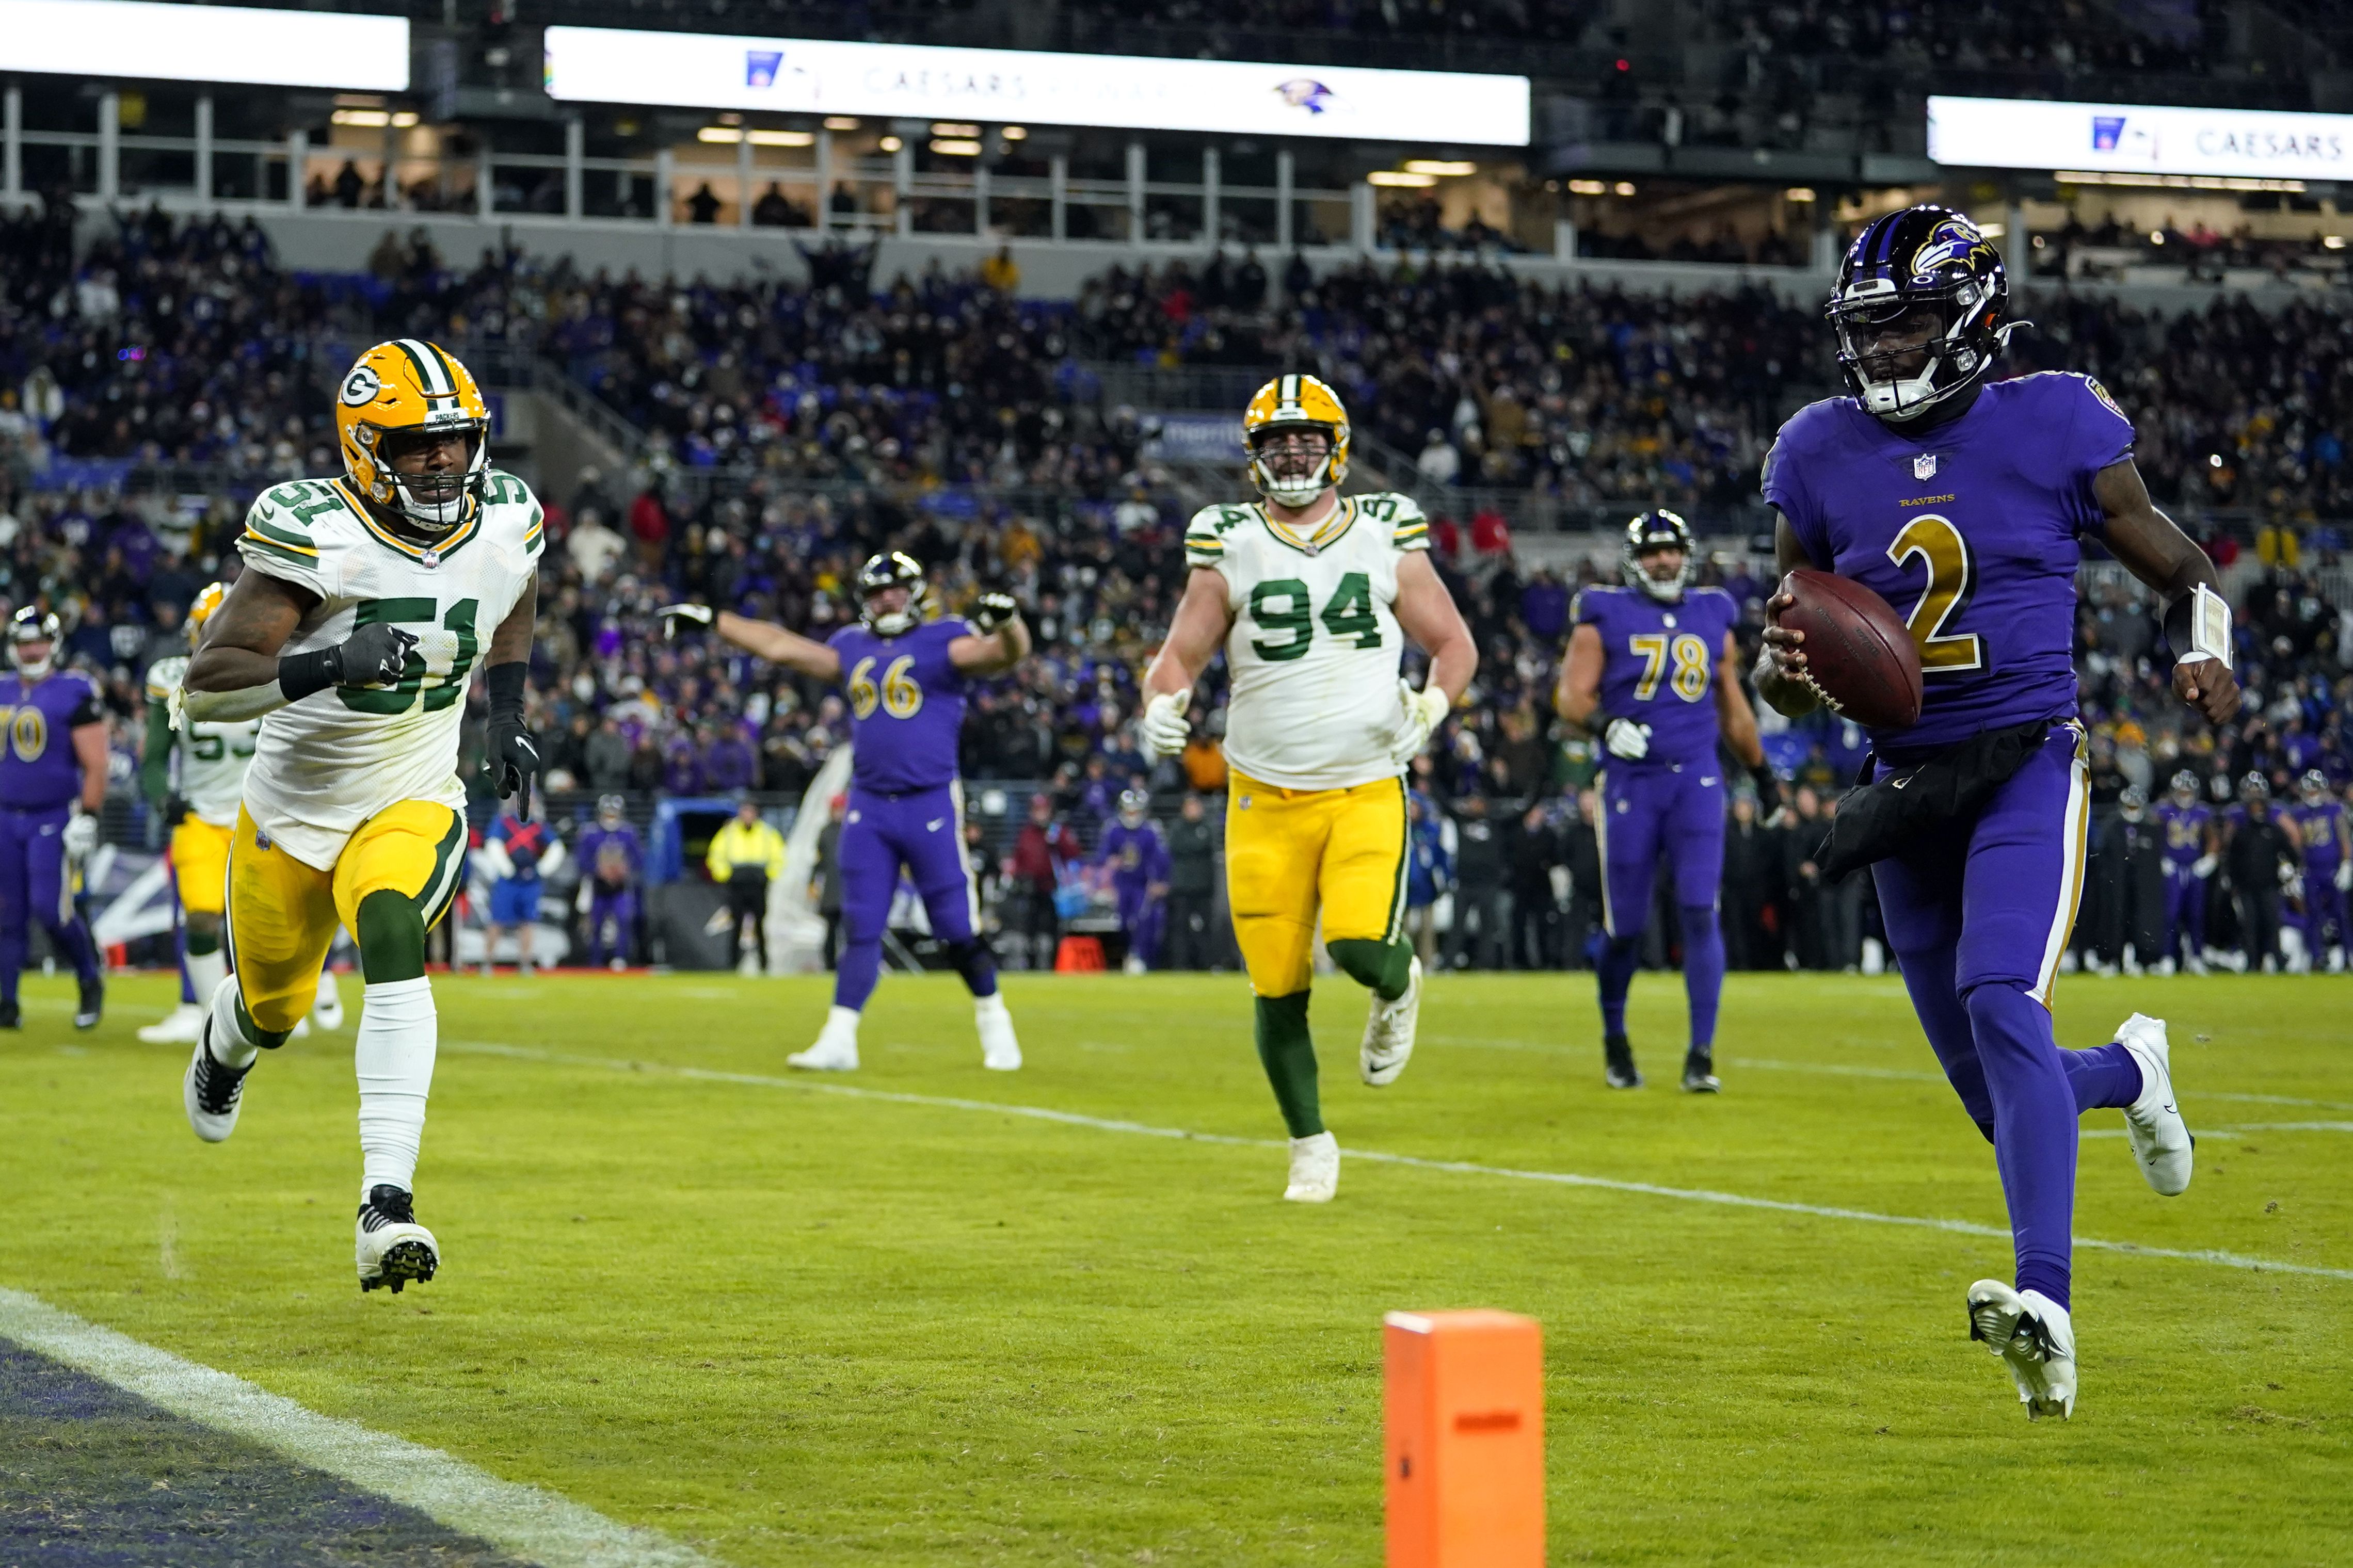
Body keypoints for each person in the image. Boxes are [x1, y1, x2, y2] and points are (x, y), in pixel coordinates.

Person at [1757, 206, 2234, 1418]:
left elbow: (2185, 568)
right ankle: (2130, 1071)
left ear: (1969, 313)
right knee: (1994, 1088)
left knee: (1998, 998)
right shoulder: (1815, 450)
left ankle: (2046, 1306)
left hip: (2026, 754)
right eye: (1868, 328)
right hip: (1903, 781)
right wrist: (1784, 675)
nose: (1884, 348)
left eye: (1908, 319)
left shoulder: (2056, 419)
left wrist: (2205, 643)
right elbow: (1788, 634)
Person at [179, 337, 545, 1294]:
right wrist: (330, 660)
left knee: (392, 926)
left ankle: (386, 1201)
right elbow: (207, 689)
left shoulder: (507, 514)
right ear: (361, 445)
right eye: (416, 444)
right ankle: (228, 1046)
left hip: (411, 792)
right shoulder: (316, 533)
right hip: (290, 817)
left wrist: (505, 712)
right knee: (273, 1008)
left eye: (455, 442)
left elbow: (512, 597)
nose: (442, 462)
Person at [1140, 373, 1476, 1202]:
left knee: (1358, 946)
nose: (1292, 454)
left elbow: (1453, 644)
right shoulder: (1229, 538)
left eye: (1306, 440)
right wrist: (1158, 701)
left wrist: (1432, 704)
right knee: (1276, 983)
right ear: (1254, 456)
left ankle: (1398, 987)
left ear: (1337, 448)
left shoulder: (1385, 528)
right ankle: (1308, 1141)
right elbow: (1179, 652)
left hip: (1364, 783)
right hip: (1260, 797)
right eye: (1276, 442)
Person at [662, 554, 1031, 1069]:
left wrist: (1009, 623)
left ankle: (994, 1022)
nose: (887, 598)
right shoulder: (850, 647)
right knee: (860, 925)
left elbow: (1005, 655)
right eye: (878, 591)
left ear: (916, 592)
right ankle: (839, 1039)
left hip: (929, 801)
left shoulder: (943, 638)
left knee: (954, 927)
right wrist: (713, 619)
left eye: (897, 588)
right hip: (869, 804)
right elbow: (782, 646)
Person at [1554, 509, 1779, 1091]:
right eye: (1653, 552)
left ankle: (1700, 1055)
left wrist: (1762, 775)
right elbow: (1569, 699)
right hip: (1630, 782)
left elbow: (1733, 708)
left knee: (1699, 907)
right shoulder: (1602, 611)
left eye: (1672, 550)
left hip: (1696, 780)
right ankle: (1614, 1039)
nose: (1664, 561)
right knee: (1624, 924)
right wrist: (1604, 725)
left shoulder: (1712, 611)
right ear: (1634, 560)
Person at [138, 583, 344, 1043]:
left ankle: (301, 995)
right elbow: (153, 757)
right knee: (201, 916)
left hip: (266, 810)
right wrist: (162, 796)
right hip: (203, 815)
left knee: (281, 914)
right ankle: (214, 1019)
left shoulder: (276, 668)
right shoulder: (172, 676)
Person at [0, 607, 108, 1030]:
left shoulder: (74, 689)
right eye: (25, 642)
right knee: (7, 914)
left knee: (52, 909)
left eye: (38, 641)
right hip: (5, 815)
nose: (32, 650)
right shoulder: (3, 689)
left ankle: (88, 976)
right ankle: (7, 1002)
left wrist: (89, 815)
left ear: (53, 643)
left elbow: (96, 763)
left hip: (52, 815)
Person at [481, 797, 563, 974]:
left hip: (530, 879)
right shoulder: (505, 822)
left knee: (528, 923)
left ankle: (525, 962)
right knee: (497, 921)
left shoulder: (537, 825)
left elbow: (555, 846)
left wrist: (542, 869)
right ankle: (488, 962)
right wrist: (505, 867)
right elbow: (493, 843)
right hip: (508, 880)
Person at [705, 794, 785, 974]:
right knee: (736, 924)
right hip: (737, 884)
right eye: (745, 811)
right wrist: (726, 875)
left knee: (760, 925)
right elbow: (715, 855)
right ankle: (732, 964)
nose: (748, 815)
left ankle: (765, 964)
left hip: (758, 884)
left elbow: (779, 856)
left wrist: (768, 875)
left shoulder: (767, 833)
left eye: (751, 812)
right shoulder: (729, 833)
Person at [2222, 774, 2294, 973]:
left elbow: (2290, 851)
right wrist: (2230, 880)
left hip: (2270, 883)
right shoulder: (2241, 830)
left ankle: (2278, 961)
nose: (2255, 805)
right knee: (2250, 926)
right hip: (2246, 885)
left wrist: (2289, 868)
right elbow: (2230, 857)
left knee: (2273, 923)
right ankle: (2253, 962)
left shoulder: (2273, 828)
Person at [1098, 787, 1170, 974]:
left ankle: (1140, 957)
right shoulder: (1113, 829)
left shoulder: (1150, 831)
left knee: (1142, 920)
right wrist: (1108, 871)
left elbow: (1160, 859)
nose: (1132, 815)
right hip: (1121, 884)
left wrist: (1160, 881)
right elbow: (1103, 857)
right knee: (1123, 922)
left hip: (1142, 884)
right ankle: (1129, 956)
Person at [2154, 769, 2216, 974]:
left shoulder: (2203, 813)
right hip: (2172, 868)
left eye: (2188, 792)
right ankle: (2168, 957)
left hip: (2194, 869)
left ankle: (2196, 956)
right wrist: (2161, 858)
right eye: (2181, 792)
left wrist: (2210, 859)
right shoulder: (2164, 812)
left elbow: (2214, 839)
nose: (2185, 796)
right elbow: (2155, 837)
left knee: (2196, 915)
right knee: (2170, 914)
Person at [2285, 769, 2349, 972]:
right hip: (2310, 871)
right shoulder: (2298, 813)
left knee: (2342, 914)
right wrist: (2295, 870)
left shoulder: (2335, 809)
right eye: (2309, 789)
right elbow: (2295, 844)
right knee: (2313, 915)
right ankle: (2316, 956)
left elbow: (2344, 838)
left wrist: (2347, 864)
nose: (2312, 793)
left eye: (2315, 789)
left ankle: (2349, 955)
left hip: (2333, 869)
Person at [574, 794, 642, 970]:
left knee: (623, 920)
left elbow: (639, 859)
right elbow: (582, 861)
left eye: (614, 812)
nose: (611, 816)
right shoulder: (590, 833)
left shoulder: (628, 833)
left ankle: (620, 958)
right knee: (595, 924)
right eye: (608, 812)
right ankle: (596, 959)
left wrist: (624, 869)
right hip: (597, 886)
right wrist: (599, 870)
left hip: (621, 886)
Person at [1163, 793, 1218, 971]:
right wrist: (1197, 846)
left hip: (1204, 887)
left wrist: (1194, 847)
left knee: (1206, 928)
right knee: (1180, 928)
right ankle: (1180, 964)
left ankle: (1208, 964)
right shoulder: (1177, 828)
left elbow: (1209, 844)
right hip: (1182, 888)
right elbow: (1177, 846)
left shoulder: (1207, 827)